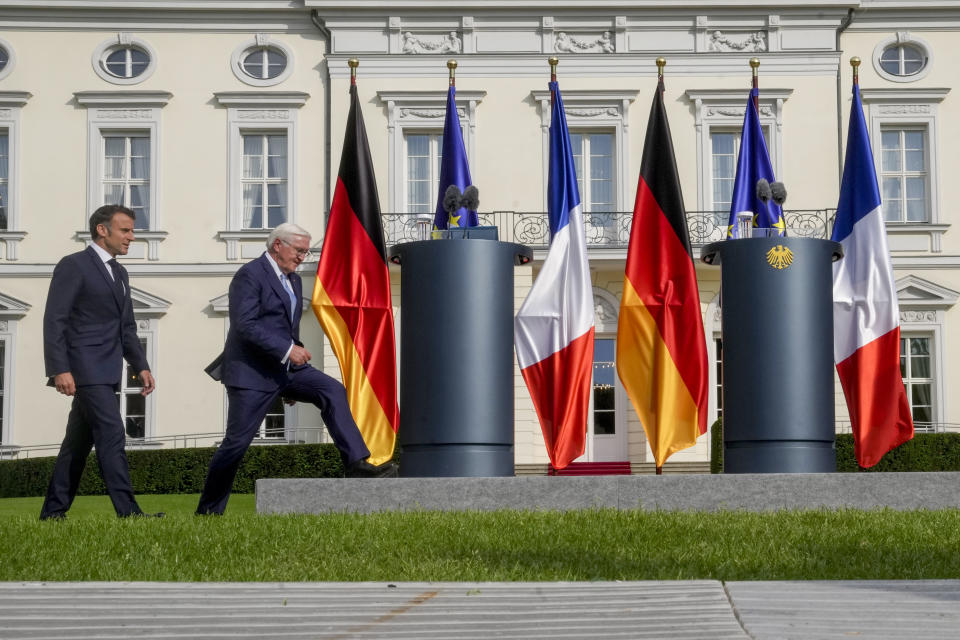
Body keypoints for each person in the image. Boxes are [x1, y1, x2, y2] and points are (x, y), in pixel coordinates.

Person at [196, 223, 396, 516]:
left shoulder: (293, 279)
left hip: (285, 370)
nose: (303, 256)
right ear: (278, 245)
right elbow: (245, 325)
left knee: (331, 390)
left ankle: (357, 463)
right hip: (251, 373)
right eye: (299, 250)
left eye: (306, 251)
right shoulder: (250, 275)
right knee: (236, 445)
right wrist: (288, 351)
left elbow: (287, 328)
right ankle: (208, 512)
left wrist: (290, 365)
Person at [40, 204, 160, 520]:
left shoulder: (119, 272)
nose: (131, 237)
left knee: (76, 446)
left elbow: (126, 327)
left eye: (133, 231)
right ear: (102, 230)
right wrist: (59, 368)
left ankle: (53, 512)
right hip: (84, 368)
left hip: (108, 371)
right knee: (112, 435)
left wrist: (141, 365)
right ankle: (129, 512)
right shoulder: (74, 265)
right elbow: (55, 320)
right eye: (125, 230)